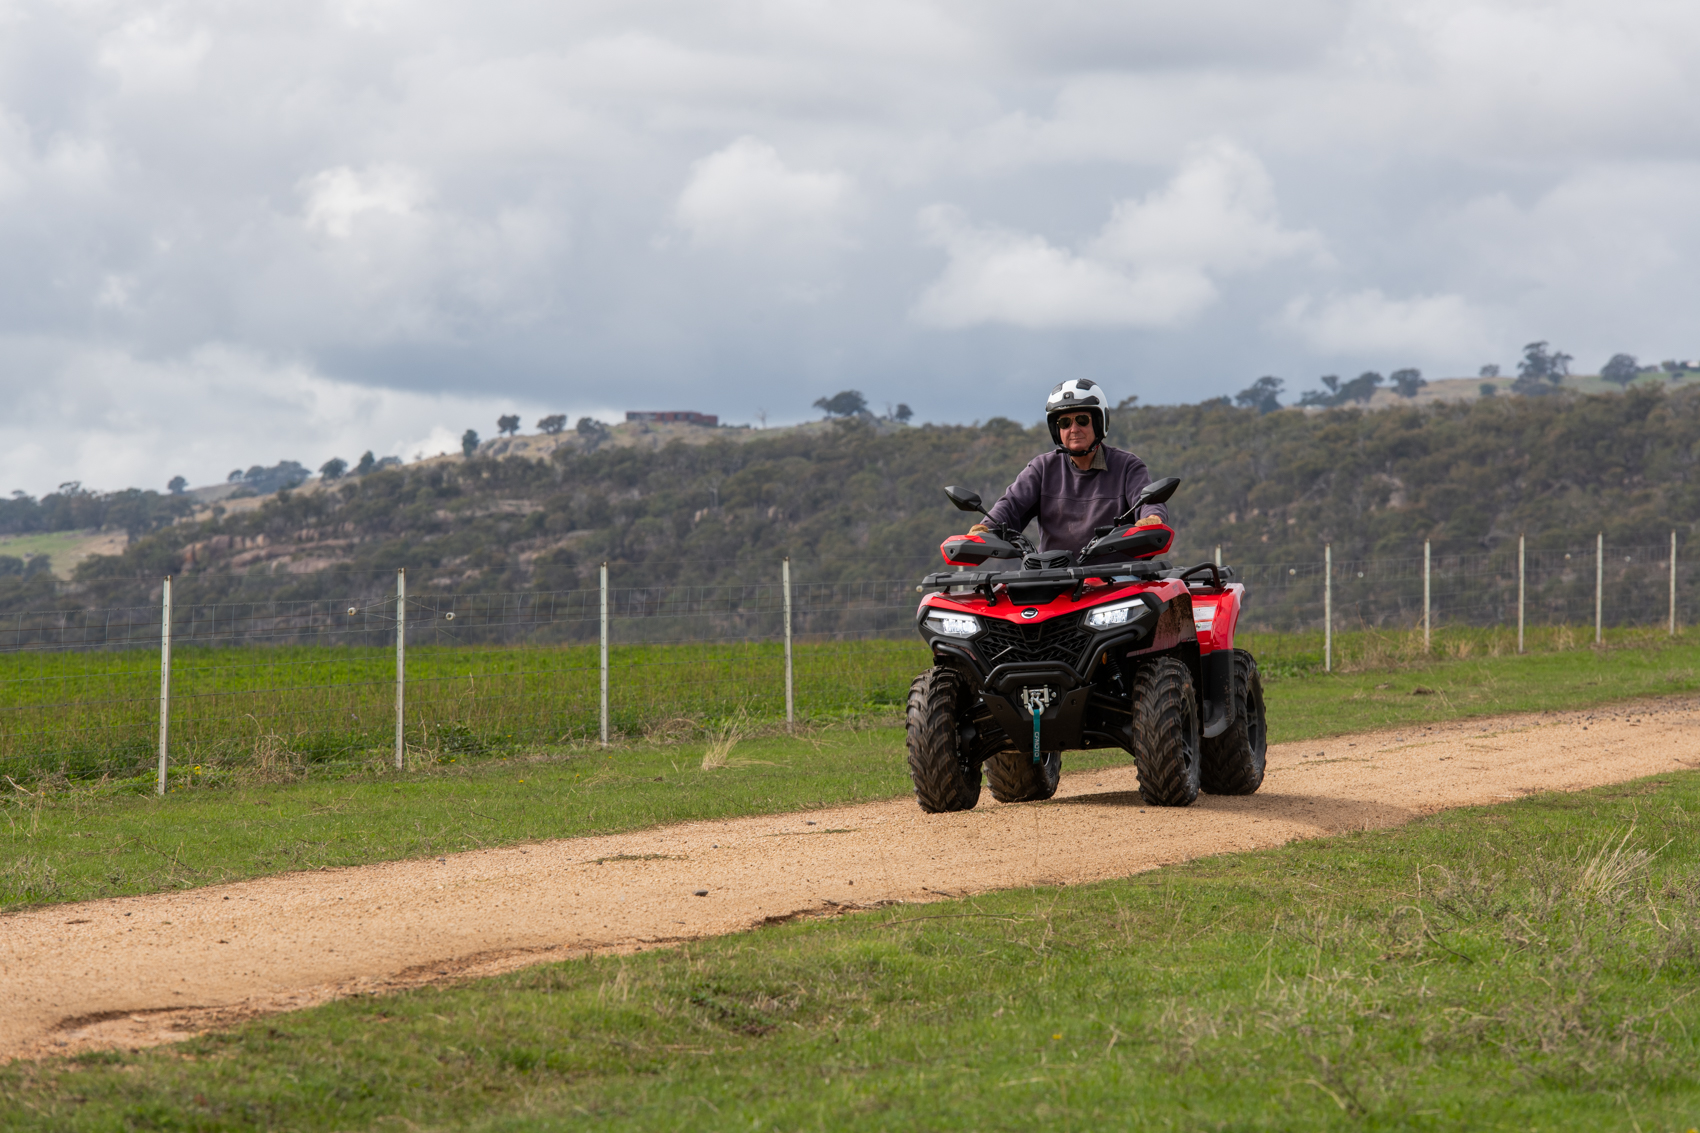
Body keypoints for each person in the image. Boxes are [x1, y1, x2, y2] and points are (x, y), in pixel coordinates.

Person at [966, 379, 1168, 553]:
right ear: (1057, 430)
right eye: (1064, 423)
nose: (1074, 429)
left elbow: (1148, 500)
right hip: (1055, 581)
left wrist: (1152, 518)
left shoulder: (1127, 466)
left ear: (1099, 423)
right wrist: (986, 528)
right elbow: (1011, 505)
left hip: (1115, 581)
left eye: (1082, 420)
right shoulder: (1042, 468)